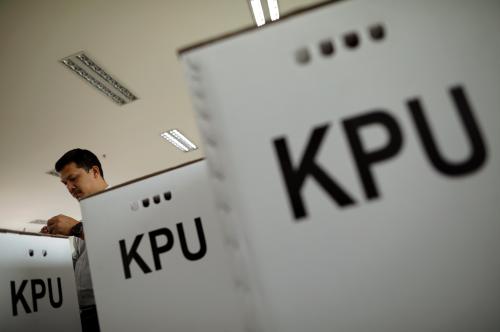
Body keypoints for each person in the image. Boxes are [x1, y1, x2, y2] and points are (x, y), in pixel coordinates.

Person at [42, 148, 107, 332]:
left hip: (109, 309)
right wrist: (53, 248)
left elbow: (118, 241)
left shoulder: (123, 202)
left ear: (94, 172)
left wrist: (75, 228)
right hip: (85, 313)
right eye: (65, 183)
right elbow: (79, 266)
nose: (69, 188)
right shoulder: (87, 220)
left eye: (73, 178)